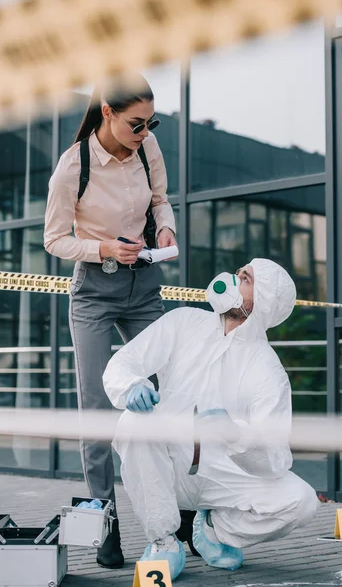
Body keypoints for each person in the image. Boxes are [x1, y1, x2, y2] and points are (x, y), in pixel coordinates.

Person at [103, 258, 319, 580]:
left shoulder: (267, 370)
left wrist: (237, 435)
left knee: (301, 501)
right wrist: (131, 385)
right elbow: (126, 362)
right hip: (168, 462)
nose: (233, 278)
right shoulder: (183, 322)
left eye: (245, 279)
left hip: (224, 472)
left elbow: (274, 459)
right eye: (239, 272)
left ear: (261, 303)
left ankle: (212, 530)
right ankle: (164, 542)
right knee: (133, 423)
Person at [43, 73, 177, 568]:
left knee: (165, 394)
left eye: (151, 122)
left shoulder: (147, 147)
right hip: (94, 291)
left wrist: (164, 227)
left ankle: (174, 513)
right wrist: (103, 247)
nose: (145, 132)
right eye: (136, 124)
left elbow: (160, 200)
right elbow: (55, 240)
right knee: (98, 407)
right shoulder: (70, 168)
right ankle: (107, 523)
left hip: (143, 286)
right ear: (107, 113)